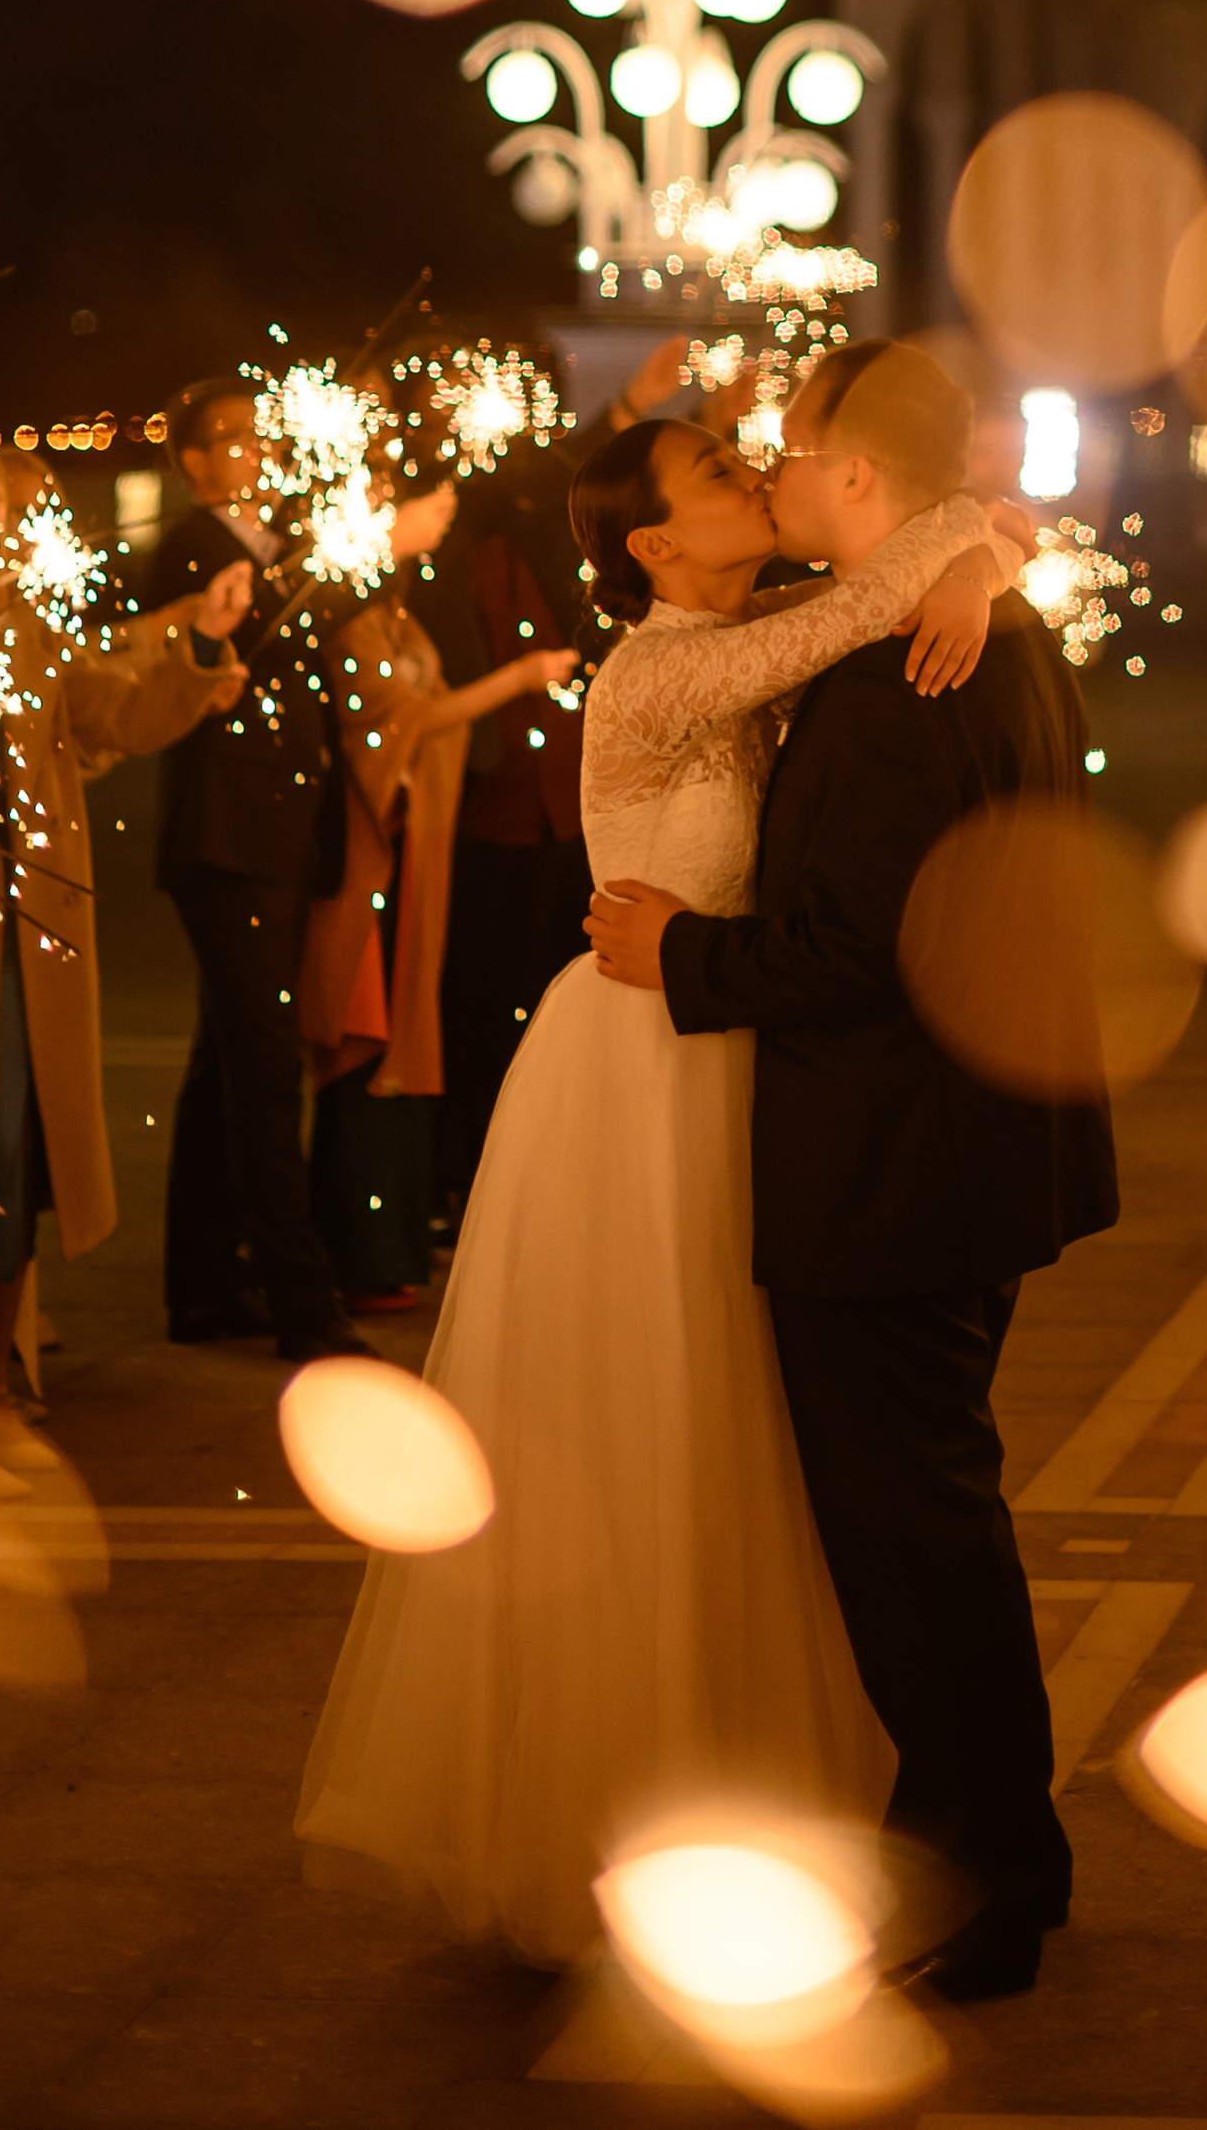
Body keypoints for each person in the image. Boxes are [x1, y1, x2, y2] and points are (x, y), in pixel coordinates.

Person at [295, 413, 1028, 1962]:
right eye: (717, 477)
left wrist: (971, 557)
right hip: (644, 1059)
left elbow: (912, 558)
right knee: (645, 1426)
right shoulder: (658, 666)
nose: (755, 480)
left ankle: (793, 1793)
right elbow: (857, 601)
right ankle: (620, 1807)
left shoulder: (749, 624)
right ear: (649, 544)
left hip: (742, 1042)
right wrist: (952, 548)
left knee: (759, 1433)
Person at [590, 341, 1119, 2005]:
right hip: (965, 1145)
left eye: (797, 448)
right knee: (933, 1514)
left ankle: (985, 1872)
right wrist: (968, 539)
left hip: (897, 1161)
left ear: (861, 480)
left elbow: (845, 952)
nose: (776, 466)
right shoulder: (965, 621)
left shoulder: (907, 680)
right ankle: (981, 1841)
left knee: (915, 1535)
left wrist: (679, 948)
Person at [0, 430, 247, 1497]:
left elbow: (112, 708)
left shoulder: (18, 622)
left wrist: (199, 649)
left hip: (34, 936)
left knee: (15, 1168)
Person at [427, 336, 701, 1222]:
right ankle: (467, 1175)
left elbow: (562, 486)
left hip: (561, 802)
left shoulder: (540, 517)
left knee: (551, 992)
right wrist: (626, 410)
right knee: (476, 1002)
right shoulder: (455, 514)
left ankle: (536, 1171)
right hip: (489, 802)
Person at [301, 484, 578, 1311]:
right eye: (424, 500)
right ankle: (359, 1247)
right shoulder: (352, 620)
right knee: (371, 1044)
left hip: (412, 852)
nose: (445, 508)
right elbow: (400, 724)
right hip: (375, 854)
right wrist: (520, 677)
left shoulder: (391, 609)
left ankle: (383, 1241)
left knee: (403, 1041)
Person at [137, 374, 364, 1363]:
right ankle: (303, 1304)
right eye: (227, 438)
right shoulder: (195, 547)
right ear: (190, 462)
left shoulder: (275, 545)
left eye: (256, 433)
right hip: (228, 835)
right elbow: (253, 637)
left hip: (268, 833)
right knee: (266, 1072)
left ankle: (203, 1284)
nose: (252, 449)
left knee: (223, 1063)